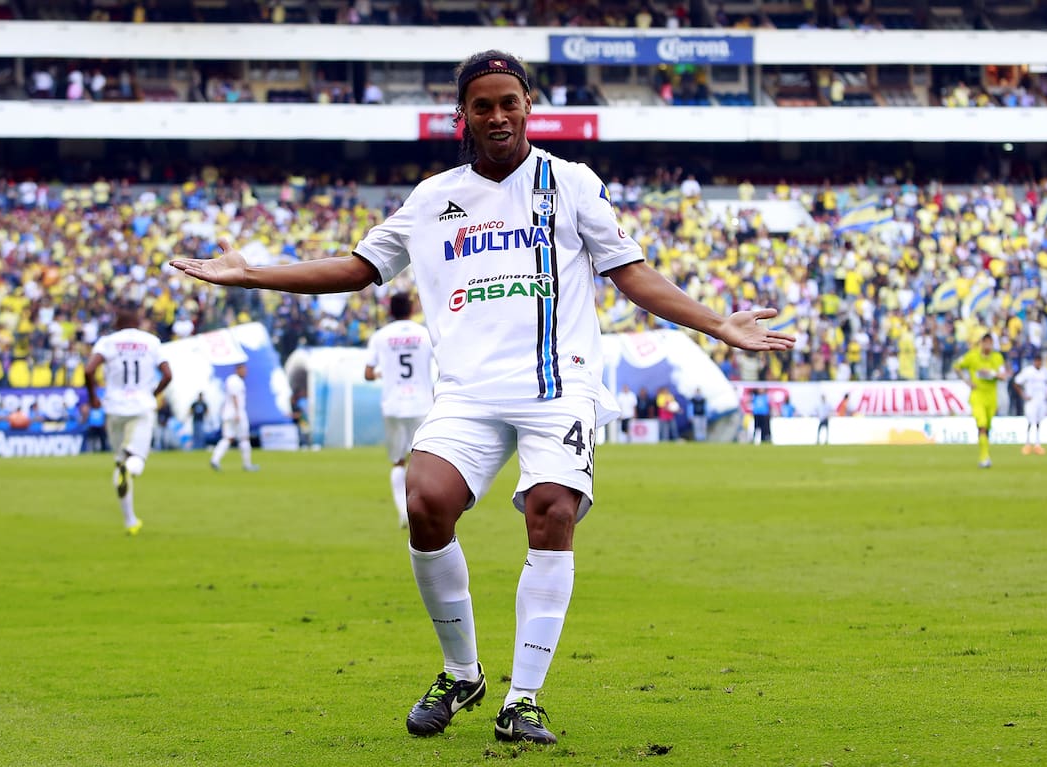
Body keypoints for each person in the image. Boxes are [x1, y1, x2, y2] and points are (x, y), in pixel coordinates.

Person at [170, 48, 794, 745]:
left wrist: (716, 324)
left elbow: (632, 274)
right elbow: (356, 268)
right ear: (462, 115)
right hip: (467, 391)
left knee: (552, 509)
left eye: (508, 102)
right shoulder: (432, 198)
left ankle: (523, 699)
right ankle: (461, 671)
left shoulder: (571, 182)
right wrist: (252, 274)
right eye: (482, 105)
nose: (497, 116)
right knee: (424, 501)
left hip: (556, 385)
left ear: (528, 106)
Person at [84, 302, 173, 535]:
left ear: (118, 321)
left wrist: (93, 397)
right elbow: (167, 374)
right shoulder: (151, 341)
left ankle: (130, 520)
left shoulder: (107, 342)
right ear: (137, 320)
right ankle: (130, 470)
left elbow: (89, 370)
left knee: (120, 459)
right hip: (141, 407)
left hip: (114, 408)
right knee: (137, 461)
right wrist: (153, 393)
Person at [365, 292, 436, 528]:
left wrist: (384, 373)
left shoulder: (380, 336)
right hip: (422, 404)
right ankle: (423, 509)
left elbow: (368, 373)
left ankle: (403, 511)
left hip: (393, 405)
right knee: (424, 459)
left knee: (398, 461)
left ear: (390, 311)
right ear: (411, 309)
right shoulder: (425, 334)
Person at [954, 333, 1008, 468]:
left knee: (987, 428)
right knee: (982, 425)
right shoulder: (972, 356)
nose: (988, 345)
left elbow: (1003, 376)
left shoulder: (997, 357)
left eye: (990, 343)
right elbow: (957, 366)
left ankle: (985, 454)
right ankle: (984, 458)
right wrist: (967, 381)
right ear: (982, 343)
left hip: (991, 397)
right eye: (986, 342)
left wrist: (991, 373)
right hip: (977, 395)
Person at [210, 362, 259, 472]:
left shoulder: (231, 380)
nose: (245, 372)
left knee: (228, 438)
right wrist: (237, 412)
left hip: (228, 414)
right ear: (238, 369)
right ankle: (247, 464)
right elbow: (234, 396)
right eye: (243, 369)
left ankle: (215, 460)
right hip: (237, 414)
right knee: (244, 438)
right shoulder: (236, 381)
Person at [1013, 354, 1047, 455]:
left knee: (1039, 421)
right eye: (1037, 361)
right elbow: (1016, 382)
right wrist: (1023, 395)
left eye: (1040, 361)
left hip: (1041, 400)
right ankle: (1027, 444)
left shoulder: (1046, 372)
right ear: (1034, 361)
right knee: (1030, 421)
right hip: (1031, 400)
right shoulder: (1028, 371)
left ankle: (1037, 444)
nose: (1038, 363)